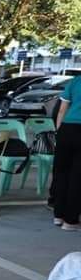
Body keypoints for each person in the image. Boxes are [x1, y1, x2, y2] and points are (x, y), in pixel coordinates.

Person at [52, 74, 81, 231]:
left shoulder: (75, 81)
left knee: (61, 172)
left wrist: (58, 132)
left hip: (66, 129)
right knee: (77, 177)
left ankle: (59, 215)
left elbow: (62, 110)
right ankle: (70, 221)